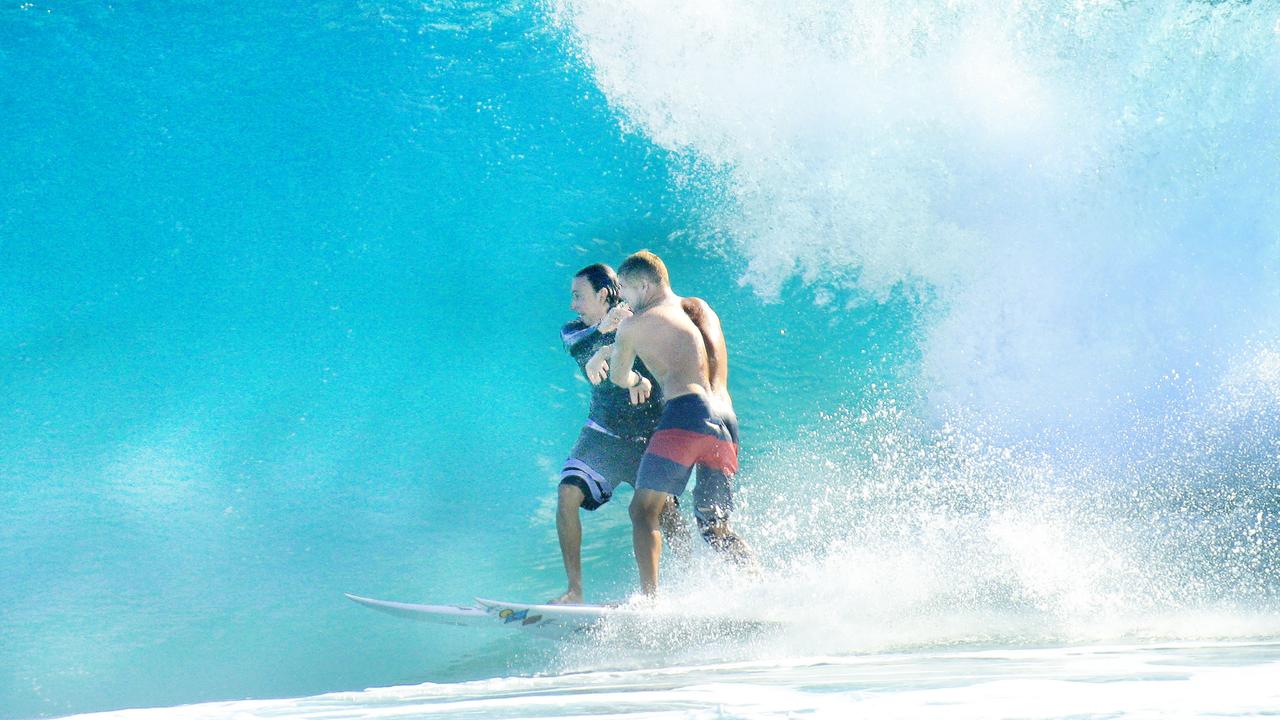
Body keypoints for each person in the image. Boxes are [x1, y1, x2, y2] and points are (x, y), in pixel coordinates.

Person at [609, 250, 752, 596]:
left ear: (643, 286)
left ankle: (650, 602)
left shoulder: (633, 324)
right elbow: (708, 360)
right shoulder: (695, 310)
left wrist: (631, 371)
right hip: (725, 422)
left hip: (686, 414)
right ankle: (757, 585)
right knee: (714, 528)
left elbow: (617, 377)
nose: (621, 298)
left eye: (623, 289)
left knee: (643, 511)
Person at [554, 263, 687, 604]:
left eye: (578, 296)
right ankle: (574, 590)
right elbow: (584, 355)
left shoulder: (635, 319)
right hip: (603, 434)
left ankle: (695, 583)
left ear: (602, 294)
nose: (572, 305)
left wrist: (618, 334)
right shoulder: (573, 331)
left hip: (649, 436)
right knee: (568, 493)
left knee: (667, 514)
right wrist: (603, 331)